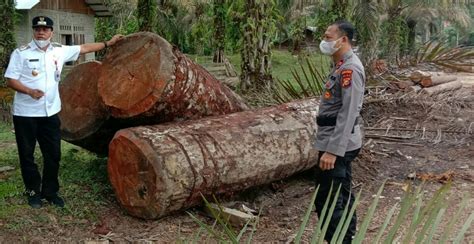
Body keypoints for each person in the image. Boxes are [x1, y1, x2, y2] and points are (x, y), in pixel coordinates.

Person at [4, 16, 123, 208]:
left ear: (51, 32)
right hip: (26, 113)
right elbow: (10, 80)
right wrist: (29, 91)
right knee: (26, 155)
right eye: (37, 29)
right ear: (34, 31)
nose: (41, 32)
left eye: (45, 29)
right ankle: (33, 192)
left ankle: (51, 192)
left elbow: (83, 48)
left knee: (53, 154)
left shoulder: (60, 51)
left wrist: (107, 43)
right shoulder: (21, 53)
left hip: (50, 113)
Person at [313, 20, 365, 243]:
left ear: (342, 40)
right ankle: (346, 238)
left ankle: (340, 240)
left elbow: (349, 112)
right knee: (341, 194)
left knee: (328, 200)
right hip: (333, 140)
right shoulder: (341, 64)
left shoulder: (350, 69)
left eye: (327, 37)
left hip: (336, 145)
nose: (324, 41)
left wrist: (333, 151)